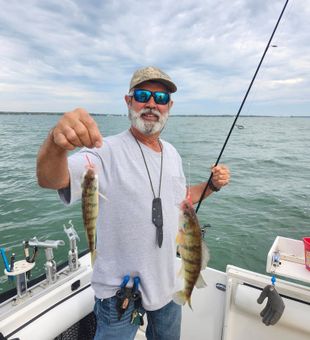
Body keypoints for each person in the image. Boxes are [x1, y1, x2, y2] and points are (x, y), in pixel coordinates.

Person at [36, 66, 230, 340]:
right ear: (129, 101)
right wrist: (57, 144)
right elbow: (52, 179)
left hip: (167, 287)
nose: (152, 104)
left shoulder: (172, 153)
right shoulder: (105, 150)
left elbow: (183, 199)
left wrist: (211, 186)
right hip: (119, 296)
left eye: (160, 99)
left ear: (169, 106)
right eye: (142, 95)